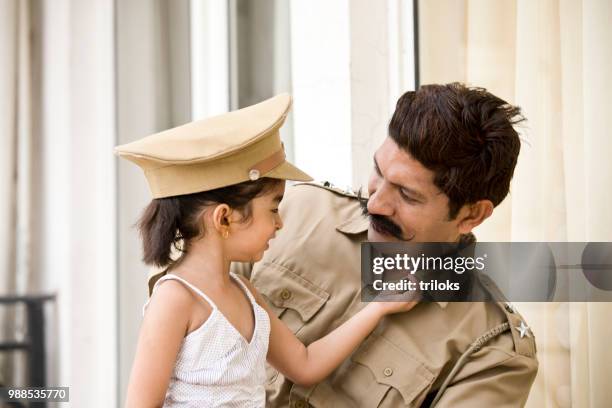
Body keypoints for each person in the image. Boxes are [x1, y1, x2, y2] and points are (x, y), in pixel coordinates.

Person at [216, 83, 537, 407]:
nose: (376, 204)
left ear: (471, 214)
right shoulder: (293, 213)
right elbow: (177, 322)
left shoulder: (490, 350)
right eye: (378, 172)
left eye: (407, 194)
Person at [119, 94, 418, 407]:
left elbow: (305, 364)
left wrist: (380, 307)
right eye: (273, 209)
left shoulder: (245, 292)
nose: (280, 223)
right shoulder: (175, 298)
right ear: (224, 218)